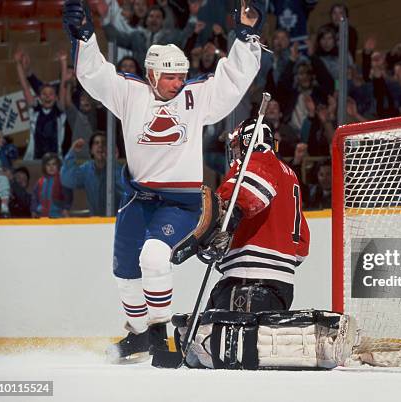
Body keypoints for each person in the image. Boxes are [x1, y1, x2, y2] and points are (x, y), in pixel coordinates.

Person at [62, 0, 265, 363]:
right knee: (124, 271)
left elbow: (231, 81)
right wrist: (86, 37)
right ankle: (138, 334)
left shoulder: (195, 96)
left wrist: (247, 36)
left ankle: (161, 333)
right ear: (151, 74)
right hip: (137, 197)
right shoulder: (130, 93)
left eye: (180, 76)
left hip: (180, 203)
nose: (176, 83)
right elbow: (95, 76)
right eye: (169, 77)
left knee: (154, 258)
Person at [202, 117, 310, 312]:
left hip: (250, 277)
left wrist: (221, 219)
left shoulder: (258, 158)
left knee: (218, 338)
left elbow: (249, 194)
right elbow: (301, 247)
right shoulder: (289, 175)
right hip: (280, 284)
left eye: (235, 146)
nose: (234, 153)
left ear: (247, 141)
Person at [61, 133, 124, 216]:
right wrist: (72, 152)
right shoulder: (86, 169)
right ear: (91, 150)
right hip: (96, 221)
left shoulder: (118, 169)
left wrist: (113, 164)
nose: (100, 145)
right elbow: (67, 179)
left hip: (117, 220)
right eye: (96, 143)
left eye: (104, 143)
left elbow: (124, 189)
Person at [31, 152, 72, 218]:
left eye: (54, 164)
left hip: (57, 216)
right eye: (48, 164)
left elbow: (68, 196)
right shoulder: (40, 182)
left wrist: (66, 209)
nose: (51, 167)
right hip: (42, 216)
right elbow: (34, 198)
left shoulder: (63, 180)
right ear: (44, 167)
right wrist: (33, 210)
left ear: (58, 166)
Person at [0, 128, 17, 218]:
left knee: (4, 186)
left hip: (2, 174)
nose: (2, 139)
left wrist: (8, 145)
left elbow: (13, 154)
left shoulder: (5, 150)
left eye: (3, 137)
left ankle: (4, 208)